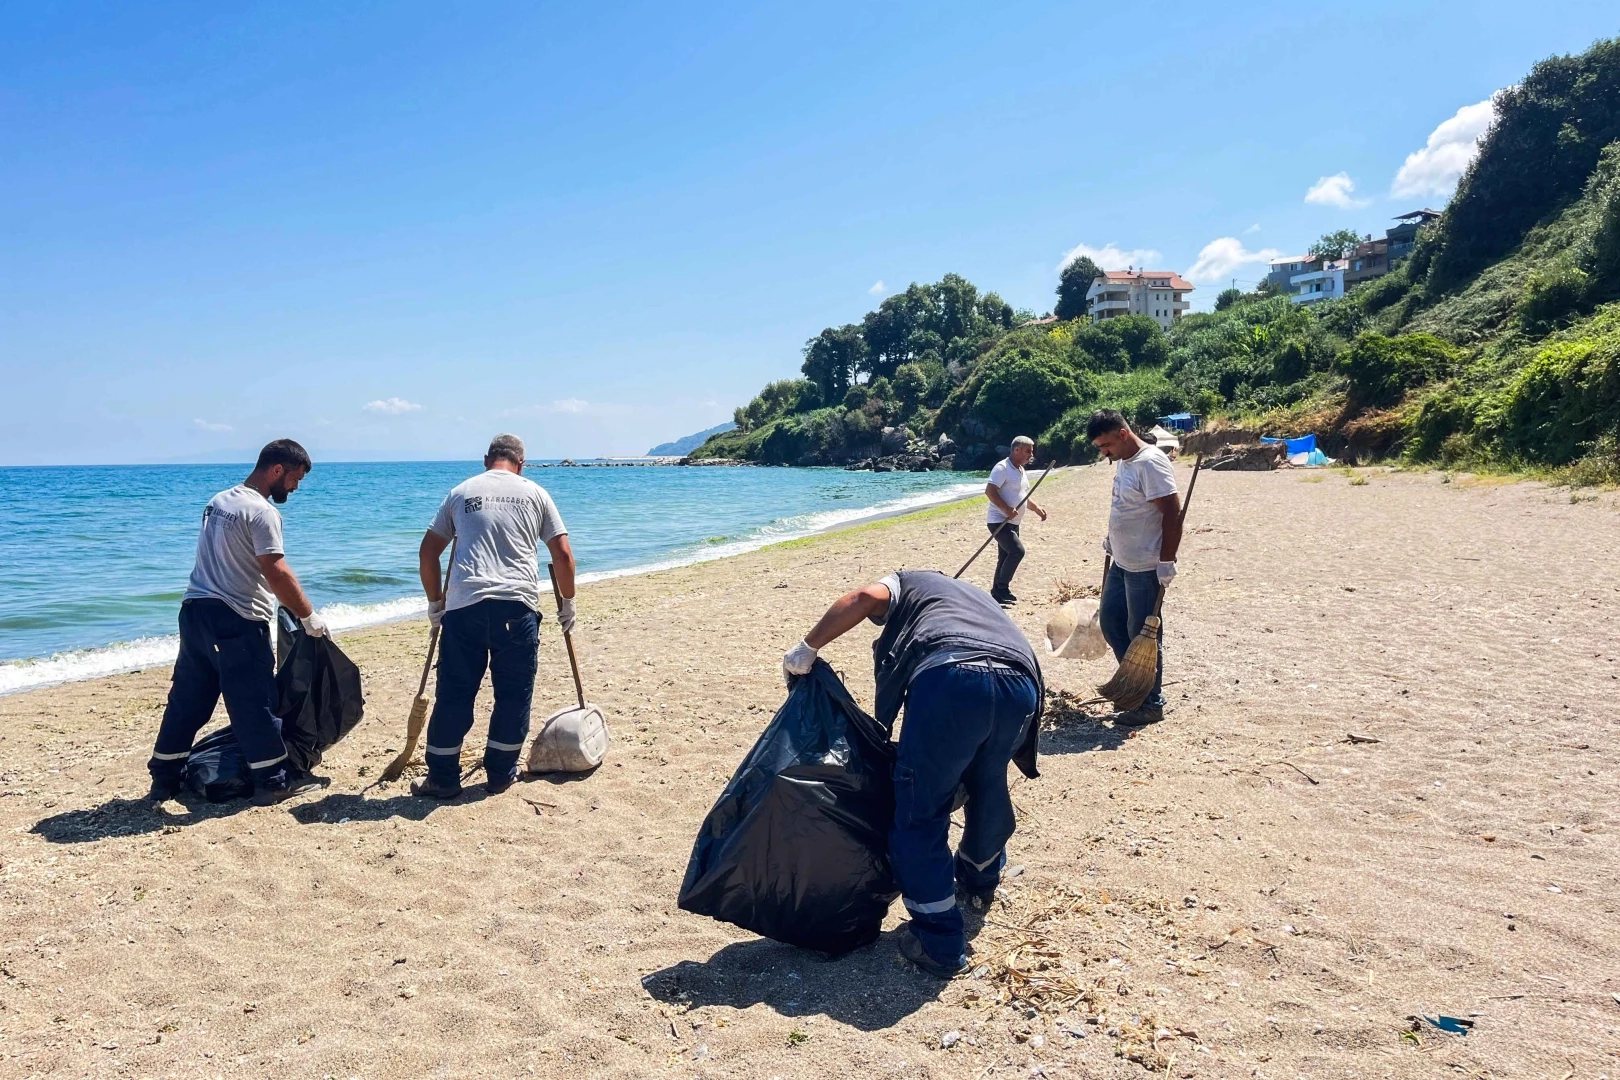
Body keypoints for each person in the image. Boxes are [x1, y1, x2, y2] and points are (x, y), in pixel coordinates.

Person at [781, 570, 1044, 978]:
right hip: (1021, 683)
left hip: (953, 680)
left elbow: (864, 597)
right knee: (987, 784)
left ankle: (939, 942)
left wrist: (807, 647)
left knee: (919, 809)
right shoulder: (970, 596)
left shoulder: (904, 583)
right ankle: (979, 880)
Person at [147, 439, 329, 804]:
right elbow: (276, 571)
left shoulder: (218, 502)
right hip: (237, 618)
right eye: (295, 478)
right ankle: (273, 782)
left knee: (188, 698)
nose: (295, 487)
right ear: (276, 470)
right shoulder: (262, 512)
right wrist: (308, 616)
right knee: (254, 701)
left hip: (195, 612)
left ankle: (164, 779)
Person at [412, 434, 577, 799]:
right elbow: (563, 555)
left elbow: (428, 553)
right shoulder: (536, 493)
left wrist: (435, 603)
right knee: (513, 696)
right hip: (516, 608)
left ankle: (443, 779)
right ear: (522, 464)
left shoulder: (460, 492)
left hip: (464, 608)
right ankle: (501, 774)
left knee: (454, 695)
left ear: (487, 459)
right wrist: (568, 602)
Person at [1087, 409, 1181, 727]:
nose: (1104, 453)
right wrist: (1112, 538)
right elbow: (1125, 506)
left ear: (1123, 434)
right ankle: (1134, 687)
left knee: (1143, 634)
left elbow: (1172, 514)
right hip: (1121, 561)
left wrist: (1166, 560)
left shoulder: (1151, 463)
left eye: (1106, 445)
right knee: (1112, 622)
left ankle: (1150, 704)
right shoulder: (1124, 460)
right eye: (1100, 448)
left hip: (1144, 565)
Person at [983, 436, 1047, 605]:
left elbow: (1023, 496)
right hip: (999, 521)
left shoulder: (1020, 470)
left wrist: (1036, 509)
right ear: (1017, 450)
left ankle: (997, 592)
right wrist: (1006, 509)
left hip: (1013, 522)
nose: (1031, 455)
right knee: (1017, 551)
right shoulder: (1002, 468)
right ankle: (1002, 588)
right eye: (1028, 451)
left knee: (1005, 555)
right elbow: (990, 491)